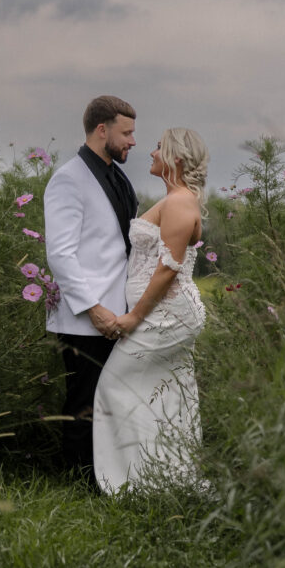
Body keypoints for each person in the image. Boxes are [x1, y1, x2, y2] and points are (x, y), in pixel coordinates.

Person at [93, 127, 209, 493]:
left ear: (175, 157)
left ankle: (128, 481)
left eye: (159, 147)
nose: (151, 152)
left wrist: (133, 316)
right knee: (168, 393)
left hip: (166, 315)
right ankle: (164, 479)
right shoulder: (175, 197)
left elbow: (167, 270)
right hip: (164, 313)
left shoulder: (179, 203)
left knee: (114, 385)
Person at [44, 95, 138, 480]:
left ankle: (105, 477)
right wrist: (93, 307)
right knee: (83, 402)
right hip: (85, 318)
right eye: (127, 132)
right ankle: (78, 483)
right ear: (103, 130)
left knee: (108, 401)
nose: (133, 141)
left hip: (117, 313)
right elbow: (60, 254)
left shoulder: (118, 176)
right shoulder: (68, 178)